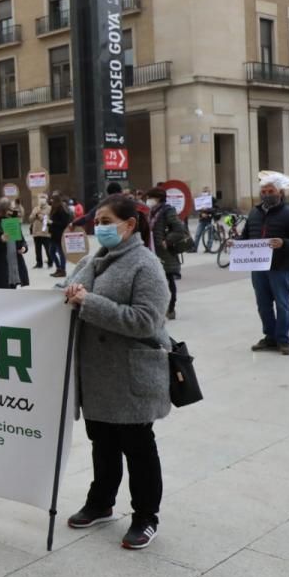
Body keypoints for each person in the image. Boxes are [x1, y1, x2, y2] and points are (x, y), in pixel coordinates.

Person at [61, 195, 170, 550]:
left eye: (107, 221)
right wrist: (67, 293)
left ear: (129, 225)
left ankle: (145, 516)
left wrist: (88, 303)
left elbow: (146, 321)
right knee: (102, 442)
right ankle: (101, 501)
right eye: (97, 221)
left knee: (138, 448)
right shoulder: (95, 260)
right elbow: (65, 289)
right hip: (96, 374)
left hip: (130, 375)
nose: (100, 227)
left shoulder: (145, 265)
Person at [246, 178, 289, 355]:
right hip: (258, 267)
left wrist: (284, 243)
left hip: (281, 266)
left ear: (280, 193)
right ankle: (269, 337)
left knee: (282, 304)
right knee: (263, 305)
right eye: (263, 192)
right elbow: (246, 236)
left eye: (270, 191)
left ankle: (283, 340)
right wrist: (236, 244)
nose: (266, 195)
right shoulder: (254, 213)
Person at [147, 187, 187, 320]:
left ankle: (171, 308)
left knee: (168, 278)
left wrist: (167, 241)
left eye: (150, 197)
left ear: (157, 198)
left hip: (165, 251)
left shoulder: (167, 210)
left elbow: (179, 229)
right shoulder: (152, 211)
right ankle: (160, 307)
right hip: (153, 249)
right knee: (156, 280)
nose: (148, 200)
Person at [0, 201, 30, 289]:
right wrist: (0, 240)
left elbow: (22, 241)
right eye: (9, 210)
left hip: (14, 265)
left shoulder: (14, 223)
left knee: (12, 291)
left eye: (13, 210)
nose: (11, 212)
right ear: (3, 210)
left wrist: (24, 248)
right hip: (0, 266)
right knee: (2, 292)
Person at [49, 192, 72, 278]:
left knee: (61, 253)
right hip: (54, 234)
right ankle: (58, 268)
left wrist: (52, 222)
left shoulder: (62, 209)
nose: (51, 200)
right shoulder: (55, 208)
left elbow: (64, 223)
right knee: (51, 252)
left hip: (59, 234)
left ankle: (62, 270)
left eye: (52, 199)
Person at [29, 194, 53, 269]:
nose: (42, 200)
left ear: (46, 199)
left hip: (45, 232)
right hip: (36, 232)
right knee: (37, 249)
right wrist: (34, 215)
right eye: (40, 198)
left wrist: (41, 217)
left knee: (48, 249)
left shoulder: (50, 208)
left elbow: (50, 221)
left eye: (43, 198)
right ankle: (39, 263)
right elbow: (30, 219)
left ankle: (50, 262)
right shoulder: (36, 208)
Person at [191, 187, 219, 252]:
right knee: (197, 234)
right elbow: (198, 209)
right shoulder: (200, 199)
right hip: (202, 219)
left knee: (210, 235)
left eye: (206, 192)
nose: (205, 193)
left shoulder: (213, 200)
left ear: (209, 192)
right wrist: (201, 213)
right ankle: (194, 248)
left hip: (210, 219)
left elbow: (216, 209)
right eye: (204, 192)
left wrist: (208, 210)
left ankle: (208, 248)